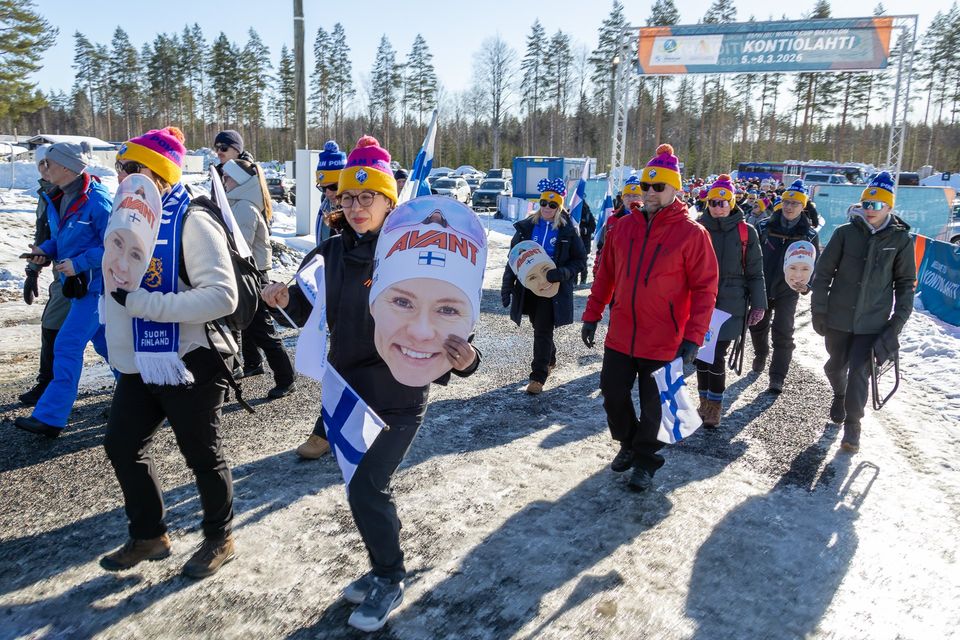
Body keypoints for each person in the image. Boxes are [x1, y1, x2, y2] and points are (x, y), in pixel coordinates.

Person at [261, 137, 480, 632]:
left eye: (368, 197)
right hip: (346, 392)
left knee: (367, 488)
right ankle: (383, 568)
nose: (357, 207)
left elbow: (455, 329)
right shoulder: (329, 253)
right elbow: (310, 312)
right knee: (359, 489)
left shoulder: (416, 254)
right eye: (348, 198)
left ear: (389, 201)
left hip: (399, 398)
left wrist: (467, 360)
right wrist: (283, 300)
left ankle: (389, 574)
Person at [99, 127, 239, 579]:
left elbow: (222, 296)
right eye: (119, 169)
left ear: (154, 174)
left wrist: (146, 305)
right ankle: (149, 536)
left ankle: (220, 537)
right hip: (142, 362)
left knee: (201, 454)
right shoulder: (127, 220)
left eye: (128, 169)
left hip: (192, 358)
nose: (120, 177)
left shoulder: (191, 219)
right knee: (122, 445)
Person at [581, 144, 718, 491]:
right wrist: (592, 314)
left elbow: (705, 289)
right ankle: (628, 442)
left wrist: (694, 336)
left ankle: (645, 459)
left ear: (676, 189)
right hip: (623, 331)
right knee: (612, 393)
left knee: (656, 405)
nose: (651, 193)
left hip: (665, 337)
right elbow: (606, 276)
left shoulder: (693, 233)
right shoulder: (623, 228)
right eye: (646, 186)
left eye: (659, 187)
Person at [811, 171, 915, 453]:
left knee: (859, 372)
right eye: (867, 204)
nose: (870, 210)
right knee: (834, 366)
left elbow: (905, 284)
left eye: (878, 205)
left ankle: (853, 426)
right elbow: (822, 275)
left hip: (872, 323)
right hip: (839, 318)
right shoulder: (844, 234)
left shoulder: (901, 240)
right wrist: (819, 311)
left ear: (889, 208)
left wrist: (896, 325)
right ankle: (839, 393)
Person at [13, 142, 111, 438]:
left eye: (49, 163)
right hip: (78, 287)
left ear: (67, 167)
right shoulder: (59, 196)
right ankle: (146, 398)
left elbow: (117, 247)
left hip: (96, 287)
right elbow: (61, 239)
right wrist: (44, 251)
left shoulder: (99, 201)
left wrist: (79, 262)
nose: (44, 168)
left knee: (67, 346)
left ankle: (51, 417)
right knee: (109, 347)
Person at [694, 174, 767, 427]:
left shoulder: (747, 232)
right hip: (700, 303)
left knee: (715, 356)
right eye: (713, 202)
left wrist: (759, 304)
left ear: (732, 202)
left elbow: (755, 272)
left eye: (723, 202)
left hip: (731, 304)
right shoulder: (697, 229)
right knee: (701, 356)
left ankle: (714, 406)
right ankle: (704, 401)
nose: (718, 207)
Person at [501, 178, 586, 395]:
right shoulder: (527, 227)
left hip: (553, 288)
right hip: (529, 287)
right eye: (544, 203)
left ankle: (538, 376)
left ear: (560, 206)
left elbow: (579, 260)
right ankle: (550, 358)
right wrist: (507, 286)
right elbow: (513, 259)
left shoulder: (567, 230)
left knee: (542, 330)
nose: (547, 208)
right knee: (539, 327)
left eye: (553, 204)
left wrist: (563, 273)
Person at [222, 158, 295, 398]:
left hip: (252, 275)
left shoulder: (244, 206)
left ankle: (286, 378)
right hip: (246, 272)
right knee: (250, 325)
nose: (224, 181)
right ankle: (253, 363)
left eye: (228, 177)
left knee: (263, 330)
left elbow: (236, 245)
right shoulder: (239, 203)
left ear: (240, 181)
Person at [749, 178, 820, 394]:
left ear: (803, 206)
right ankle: (761, 353)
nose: (789, 207)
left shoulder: (809, 235)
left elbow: (813, 264)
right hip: (762, 286)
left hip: (788, 290)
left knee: (783, 332)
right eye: (787, 202)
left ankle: (777, 377)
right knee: (757, 326)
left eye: (795, 203)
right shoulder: (763, 226)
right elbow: (750, 257)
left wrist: (807, 286)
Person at [19, 145, 72, 407]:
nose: (44, 169)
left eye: (47, 164)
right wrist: (33, 270)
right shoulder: (46, 193)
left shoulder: (77, 192)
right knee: (54, 325)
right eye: (40, 165)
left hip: (80, 273)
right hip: (61, 273)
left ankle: (134, 388)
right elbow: (45, 235)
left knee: (59, 327)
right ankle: (47, 383)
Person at [593, 177, 642, 277]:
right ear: (623, 198)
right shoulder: (613, 219)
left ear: (642, 198)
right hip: (615, 273)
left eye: (635, 196)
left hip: (638, 274)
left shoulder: (648, 218)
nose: (631, 199)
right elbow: (602, 247)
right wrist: (597, 270)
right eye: (628, 195)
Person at [315, 140, 347, 243]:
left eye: (333, 186)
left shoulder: (356, 211)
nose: (328, 193)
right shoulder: (325, 206)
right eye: (323, 188)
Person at [577, 199, 596, 284]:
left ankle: (583, 279)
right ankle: (574, 280)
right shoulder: (572, 212)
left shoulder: (588, 214)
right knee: (573, 261)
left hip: (584, 242)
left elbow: (593, 227)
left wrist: (584, 230)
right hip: (574, 242)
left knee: (583, 261)